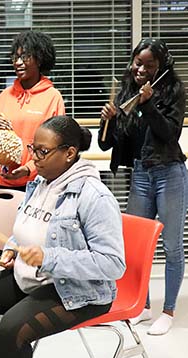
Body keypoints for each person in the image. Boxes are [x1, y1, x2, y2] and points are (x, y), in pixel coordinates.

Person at [0, 116, 126, 358]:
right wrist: (12, 247)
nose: (33, 158)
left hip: (77, 290)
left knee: (13, 330)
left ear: (69, 153)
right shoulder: (39, 182)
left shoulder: (94, 196)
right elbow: (27, 229)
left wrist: (48, 257)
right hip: (31, 276)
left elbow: (113, 263)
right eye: (32, 148)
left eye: (42, 151)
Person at [98, 38, 187, 336]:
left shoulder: (173, 91)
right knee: (135, 246)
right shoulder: (126, 91)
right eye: (139, 62)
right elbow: (108, 143)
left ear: (161, 67)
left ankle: (169, 310)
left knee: (171, 245)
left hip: (169, 172)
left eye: (150, 65)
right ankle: (143, 305)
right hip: (140, 175)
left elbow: (170, 134)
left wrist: (148, 105)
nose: (142, 69)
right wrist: (106, 123)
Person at [0, 30, 65, 191]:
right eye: (15, 57)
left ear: (40, 59)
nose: (18, 62)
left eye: (25, 57)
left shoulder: (52, 97)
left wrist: (29, 168)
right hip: (5, 181)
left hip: (39, 182)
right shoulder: (5, 95)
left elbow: (57, 143)